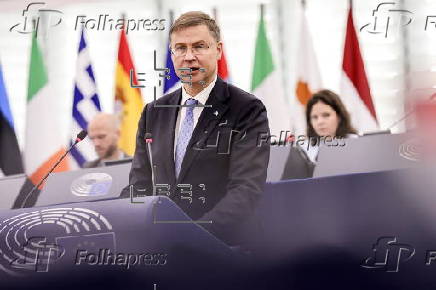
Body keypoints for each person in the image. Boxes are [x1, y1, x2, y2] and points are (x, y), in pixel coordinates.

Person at [121, 11, 270, 244]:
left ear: (218, 50)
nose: (189, 56)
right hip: (165, 252)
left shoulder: (246, 109)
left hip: (228, 250)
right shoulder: (153, 112)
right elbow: (140, 186)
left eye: (199, 46)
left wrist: (193, 237)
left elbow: (245, 190)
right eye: (180, 48)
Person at [281, 89, 357, 180]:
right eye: (315, 117)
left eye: (326, 115)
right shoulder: (302, 149)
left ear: (339, 117)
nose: (320, 122)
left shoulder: (355, 143)